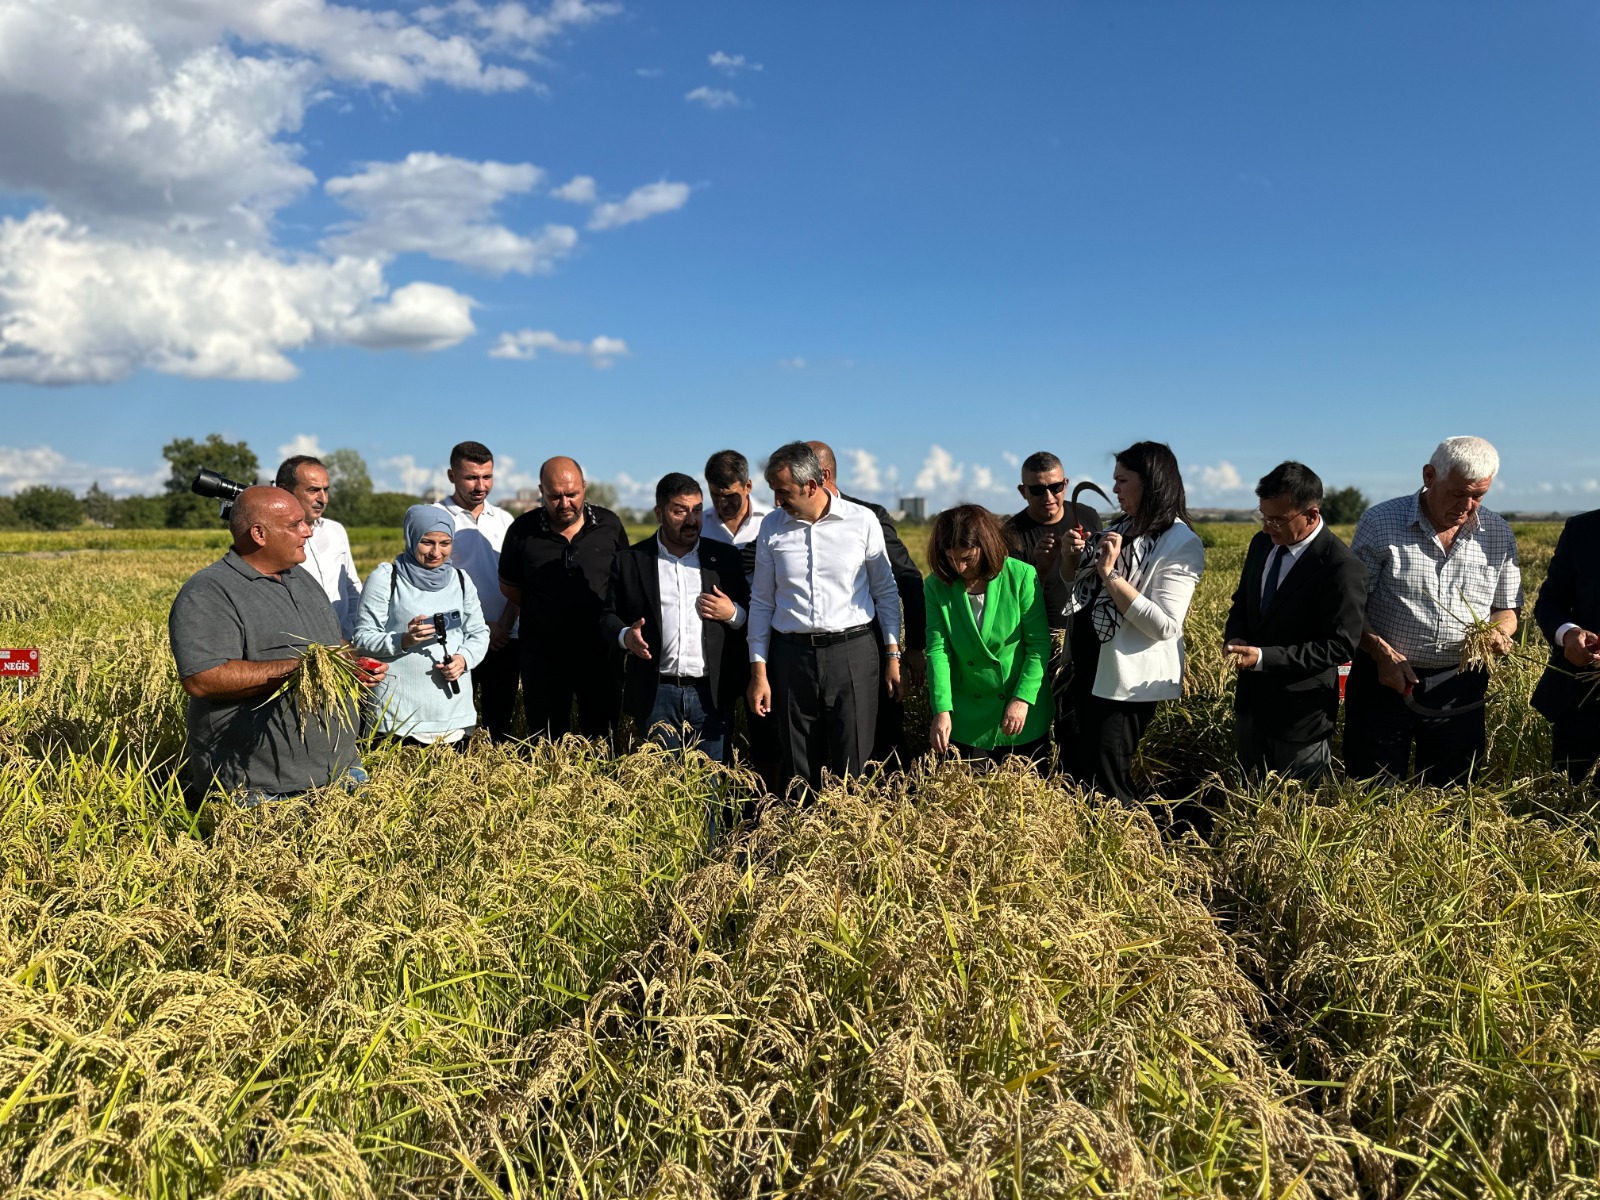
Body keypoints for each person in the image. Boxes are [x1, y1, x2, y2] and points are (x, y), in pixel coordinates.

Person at [168, 486, 384, 801]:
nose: (308, 531)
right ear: (259, 534)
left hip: (341, 771)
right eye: (295, 524)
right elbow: (203, 679)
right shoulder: (210, 591)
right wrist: (303, 669)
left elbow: (328, 640)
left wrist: (352, 663)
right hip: (261, 790)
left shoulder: (301, 579)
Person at [1345, 436, 1522, 785]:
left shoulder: (1498, 533)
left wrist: (1499, 633)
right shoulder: (1381, 522)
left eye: (1479, 496)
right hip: (1385, 678)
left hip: (1459, 684)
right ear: (1429, 476)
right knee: (1373, 788)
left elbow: (1506, 609)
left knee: (1452, 790)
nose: (1467, 506)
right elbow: (1351, 606)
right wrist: (1380, 652)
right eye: (1458, 493)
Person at [747, 441, 903, 796]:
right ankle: (803, 827)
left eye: (783, 492)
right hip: (791, 657)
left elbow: (885, 592)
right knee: (799, 766)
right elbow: (762, 602)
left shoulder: (862, 521)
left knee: (855, 761)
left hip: (853, 653)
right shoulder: (771, 527)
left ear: (811, 485)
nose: (776, 501)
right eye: (774, 491)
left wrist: (893, 655)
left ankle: (851, 827)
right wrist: (759, 673)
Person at [1062, 441, 1205, 806]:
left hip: (1126, 682)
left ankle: (1134, 836)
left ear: (1151, 483)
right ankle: (1096, 834)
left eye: (1122, 480)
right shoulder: (1121, 528)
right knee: (1088, 769)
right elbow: (1081, 588)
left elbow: (1164, 625)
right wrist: (1071, 557)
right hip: (1091, 667)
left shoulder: (1179, 542)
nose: (1114, 489)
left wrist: (1110, 573)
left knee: (1110, 781)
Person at [1222, 461, 1367, 782]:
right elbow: (1242, 602)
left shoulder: (1341, 567)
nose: (1266, 527)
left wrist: (1263, 658)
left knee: (1298, 805)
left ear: (1311, 515)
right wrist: (1236, 636)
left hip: (1300, 719)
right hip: (1251, 707)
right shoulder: (1262, 544)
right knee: (1248, 795)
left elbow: (1339, 645)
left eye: (1276, 519)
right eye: (1263, 516)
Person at [601, 473, 750, 763]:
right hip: (656, 693)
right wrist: (625, 637)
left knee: (710, 783)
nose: (691, 520)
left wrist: (732, 613)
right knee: (662, 783)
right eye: (680, 511)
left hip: (711, 695)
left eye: (697, 510)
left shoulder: (724, 558)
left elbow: (751, 612)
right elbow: (607, 617)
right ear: (659, 513)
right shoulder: (631, 560)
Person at [807, 440, 926, 765]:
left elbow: (908, 578)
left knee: (883, 735)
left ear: (823, 476)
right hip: (807, 659)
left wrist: (914, 646)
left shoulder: (867, 516)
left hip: (869, 649)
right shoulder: (787, 519)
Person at [499, 456, 629, 742]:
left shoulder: (609, 524)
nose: (565, 503)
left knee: (602, 737)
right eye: (555, 496)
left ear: (584, 487)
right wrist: (546, 609)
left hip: (599, 652)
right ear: (541, 491)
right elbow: (509, 586)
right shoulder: (522, 530)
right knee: (545, 739)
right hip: (543, 655)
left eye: (572, 494)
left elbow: (623, 580)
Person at [924, 505, 1052, 766]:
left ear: (986, 546)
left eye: (967, 558)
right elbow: (938, 651)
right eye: (950, 558)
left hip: (1019, 709)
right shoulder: (936, 585)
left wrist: (1022, 699)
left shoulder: (1021, 576)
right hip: (967, 712)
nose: (959, 567)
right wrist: (942, 710)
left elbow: (1038, 644)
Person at [353, 506, 489, 748]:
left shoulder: (460, 580)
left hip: (452, 714)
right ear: (411, 537)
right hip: (397, 716)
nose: (436, 552)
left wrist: (463, 659)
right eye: (427, 542)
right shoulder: (387, 578)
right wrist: (404, 640)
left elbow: (479, 633)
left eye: (445, 543)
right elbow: (363, 639)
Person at [1004, 450, 1103, 773]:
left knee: (1076, 721)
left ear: (1066, 484)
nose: (1048, 497)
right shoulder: (1011, 534)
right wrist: (1040, 569)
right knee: (1037, 722)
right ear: (1023, 491)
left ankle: (1074, 781)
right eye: (1037, 490)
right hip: (1036, 640)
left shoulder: (1087, 516)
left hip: (1084, 632)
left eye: (1055, 487)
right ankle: (1039, 780)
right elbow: (1008, 602)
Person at [436, 441, 520, 742]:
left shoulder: (505, 520)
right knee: (457, 726)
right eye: (471, 477)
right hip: (459, 640)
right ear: (451, 476)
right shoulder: (436, 518)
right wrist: (482, 628)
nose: (480, 486)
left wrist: (504, 625)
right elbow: (433, 584)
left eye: (487, 477)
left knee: (500, 723)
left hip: (505, 638)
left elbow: (517, 580)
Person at [1531, 507, 1600, 783]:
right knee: (1570, 796)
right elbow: (1550, 603)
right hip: (1583, 704)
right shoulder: (1582, 529)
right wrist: (1569, 634)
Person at [276, 454, 361, 638]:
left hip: (345, 643)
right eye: (314, 490)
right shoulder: (272, 538)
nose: (323, 499)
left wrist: (349, 633)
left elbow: (352, 586)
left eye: (326, 490)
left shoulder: (336, 531)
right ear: (285, 491)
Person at [700, 449, 772, 580]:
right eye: (715, 495)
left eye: (730, 496)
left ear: (748, 486)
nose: (722, 503)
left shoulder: (771, 520)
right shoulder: (699, 525)